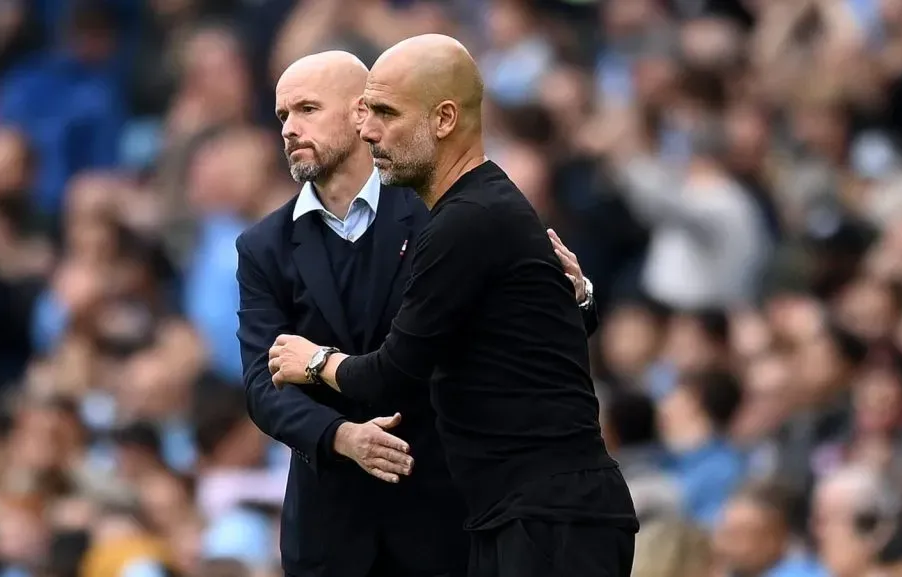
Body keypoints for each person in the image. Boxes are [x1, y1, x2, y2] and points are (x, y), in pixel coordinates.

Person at [267, 36, 638, 577]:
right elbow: (526, 337)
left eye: (387, 114)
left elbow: (390, 374)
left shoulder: (468, 221)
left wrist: (316, 361)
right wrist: (578, 298)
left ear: (443, 119)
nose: (368, 131)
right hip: (517, 515)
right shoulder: (475, 211)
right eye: (367, 113)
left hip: (551, 520)